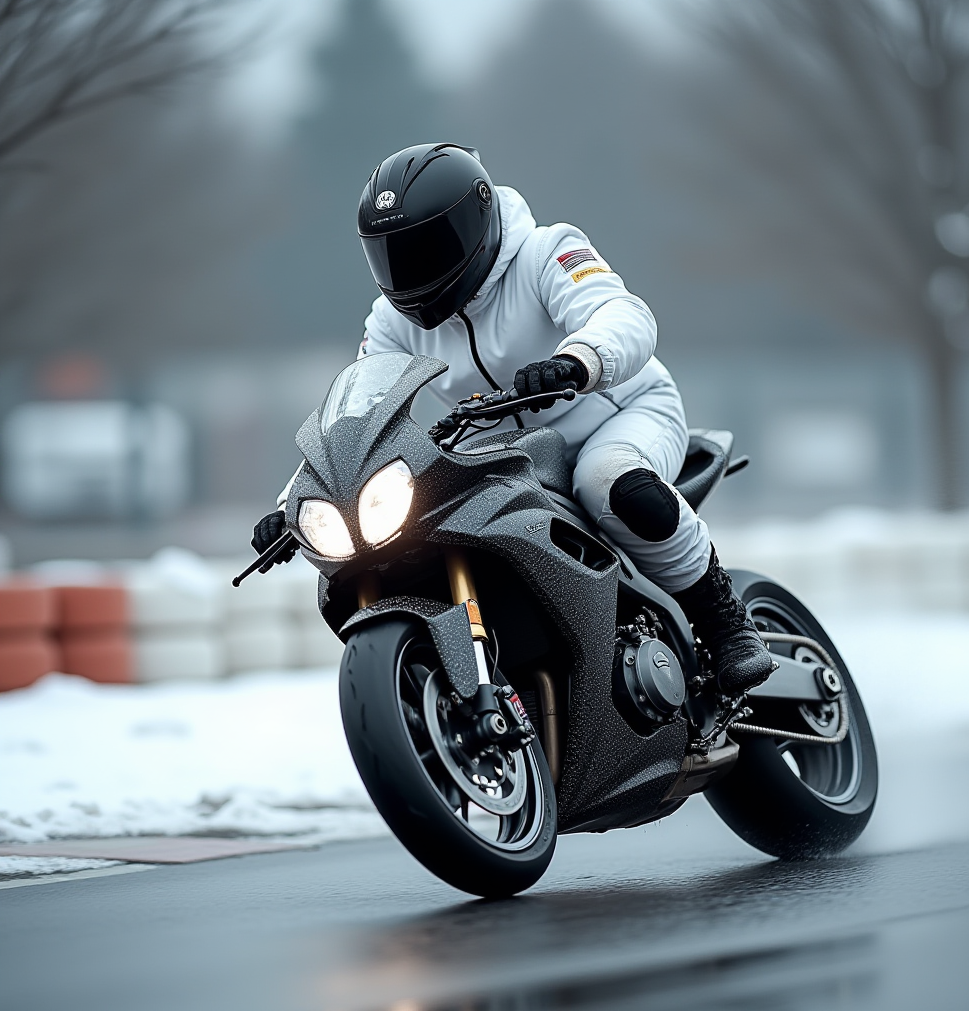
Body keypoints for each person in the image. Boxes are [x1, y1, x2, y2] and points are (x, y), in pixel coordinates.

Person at [252, 143, 771, 696]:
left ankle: (725, 622)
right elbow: (356, 416)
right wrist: (293, 505)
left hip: (615, 415)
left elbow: (624, 314)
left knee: (606, 483)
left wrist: (577, 361)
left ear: (474, 221)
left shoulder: (547, 252)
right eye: (392, 254)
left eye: (426, 248)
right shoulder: (391, 321)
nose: (409, 270)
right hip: (515, 454)